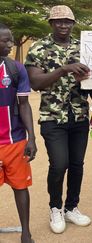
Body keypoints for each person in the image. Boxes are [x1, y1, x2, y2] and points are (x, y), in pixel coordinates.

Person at [25, 5, 92, 234]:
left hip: (79, 114)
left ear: (73, 24)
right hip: (52, 116)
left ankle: (71, 207)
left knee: (77, 164)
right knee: (59, 164)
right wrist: (64, 69)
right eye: (58, 21)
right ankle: (55, 207)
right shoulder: (39, 48)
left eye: (68, 21)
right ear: (51, 23)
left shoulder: (83, 47)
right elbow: (36, 83)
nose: (63, 25)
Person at [0, 23, 37, 243]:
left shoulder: (16, 69)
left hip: (15, 141)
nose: (10, 44)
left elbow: (24, 104)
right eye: (5, 40)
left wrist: (31, 137)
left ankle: (26, 232)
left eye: (10, 39)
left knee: (21, 186)